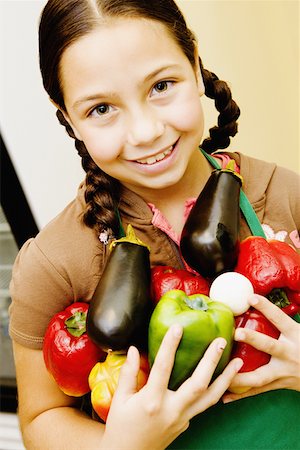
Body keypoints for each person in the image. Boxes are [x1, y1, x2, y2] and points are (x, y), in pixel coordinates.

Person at [9, 0, 300, 448]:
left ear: (195, 62)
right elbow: (42, 419)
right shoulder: (53, 264)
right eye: (101, 109)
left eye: (162, 85)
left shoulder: (286, 196)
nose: (145, 132)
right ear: (67, 116)